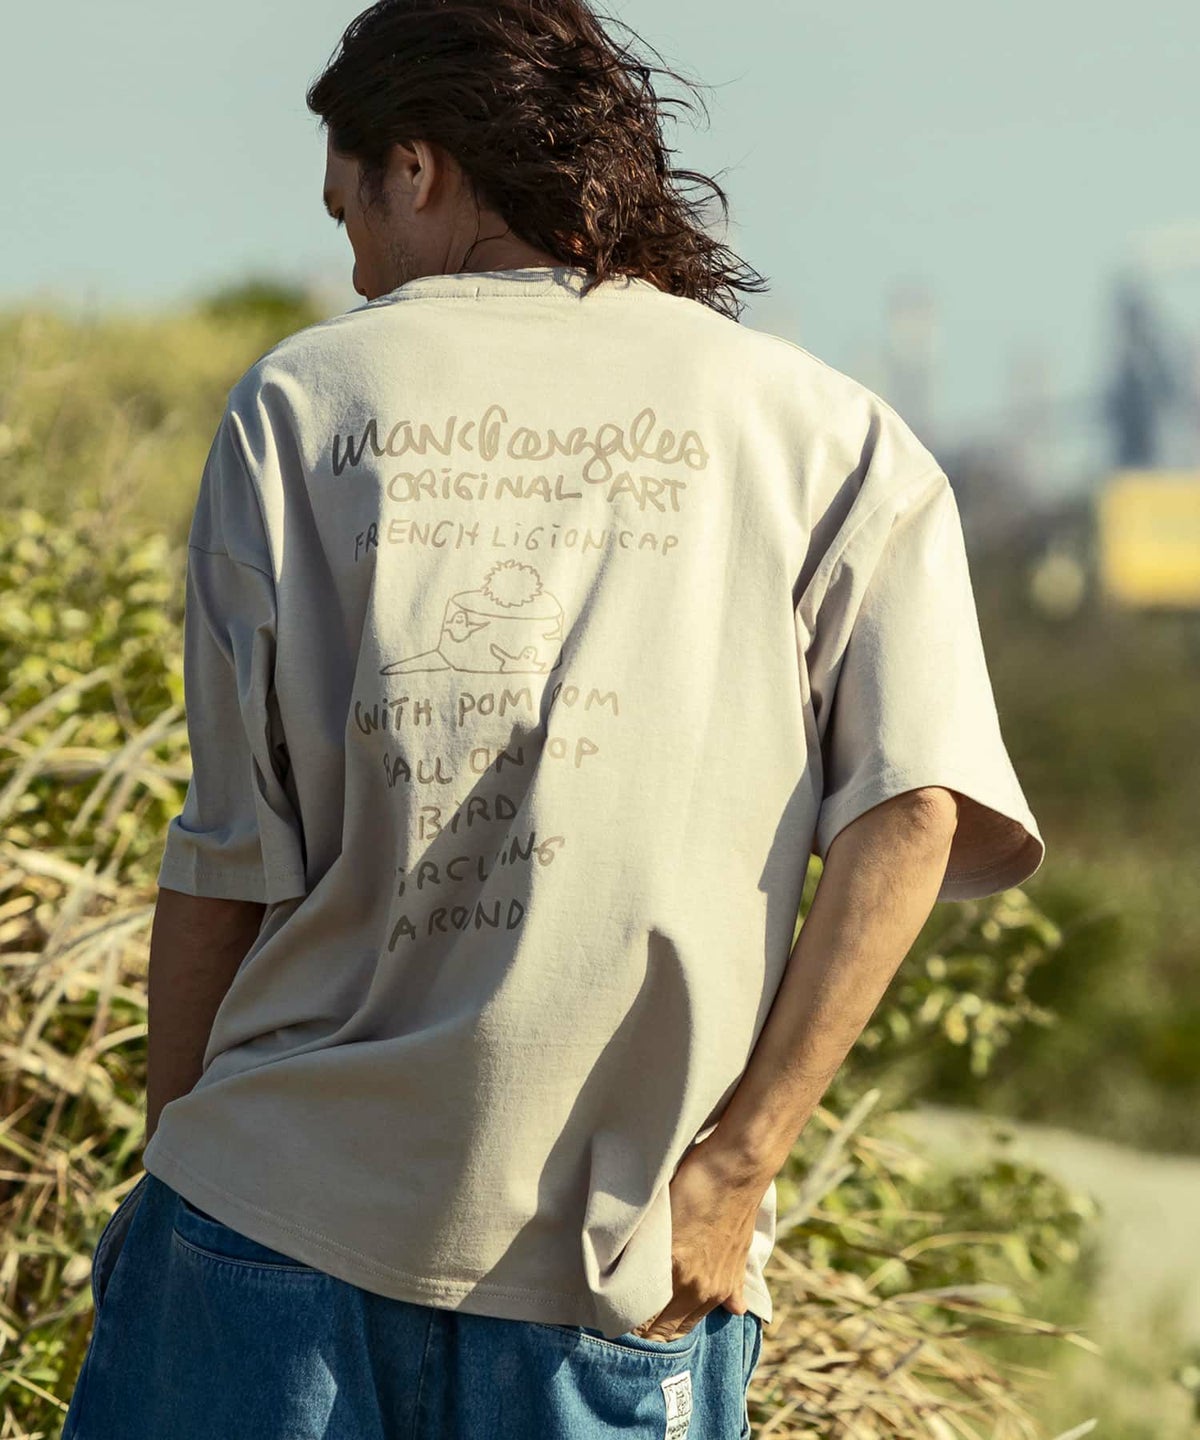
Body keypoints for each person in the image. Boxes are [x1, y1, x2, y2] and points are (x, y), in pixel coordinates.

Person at [62, 1, 1045, 1437]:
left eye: (347, 211)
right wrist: (737, 1169)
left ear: (416, 167)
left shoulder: (302, 400)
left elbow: (227, 854)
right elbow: (916, 811)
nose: (356, 266)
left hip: (269, 1225)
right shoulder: (827, 435)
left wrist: (173, 1177)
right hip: (622, 1265)